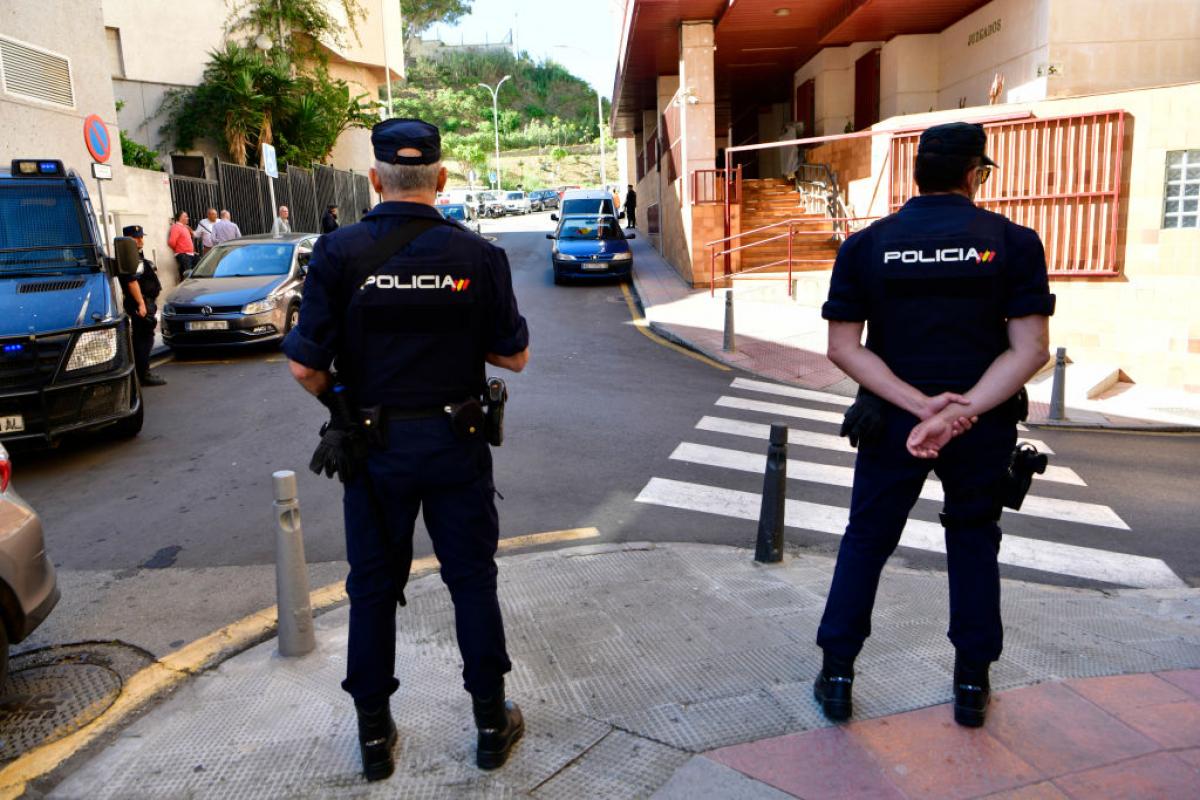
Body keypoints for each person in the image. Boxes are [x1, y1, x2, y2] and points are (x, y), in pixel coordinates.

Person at [282, 117, 530, 781]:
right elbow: (515, 355)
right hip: (457, 442)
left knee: (371, 589)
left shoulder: (336, 253)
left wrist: (342, 411)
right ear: (441, 179)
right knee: (472, 582)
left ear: (374, 178)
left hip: (373, 447)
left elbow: (306, 368)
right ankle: (488, 724)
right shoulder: (479, 256)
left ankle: (372, 741)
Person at [812, 122, 1054, 729]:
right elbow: (1030, 350)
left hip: (892, 421)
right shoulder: (1014, 243)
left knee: (867, 539)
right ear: (975, 174)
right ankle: (972, 684)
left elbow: (844, 347)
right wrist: (961, 410)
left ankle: (838, 674)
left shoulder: (866, 246)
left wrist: (920, 406)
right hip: (983, 426)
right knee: (973, 539)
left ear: (915, 174)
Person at [119, 225, 167, 387]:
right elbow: (131, 281)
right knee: (143, 339)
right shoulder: (128, 257)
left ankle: (141, 372)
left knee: (145, 337)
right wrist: (141, 304)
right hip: (141, 303)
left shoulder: (136, 255)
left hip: (146, 302)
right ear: (127, 239)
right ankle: (144, 374)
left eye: (141, 236)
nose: (140, 240)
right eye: (136, 237)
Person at [167, 210, 195, 282]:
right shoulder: (176, 227)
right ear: (180, 218)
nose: (188, 218)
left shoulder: (184, 227)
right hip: (184, 255)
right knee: (188, 276)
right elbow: (171, 242)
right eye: (185, 216)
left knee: (188, 274)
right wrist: (180, 250)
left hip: (189, 254)